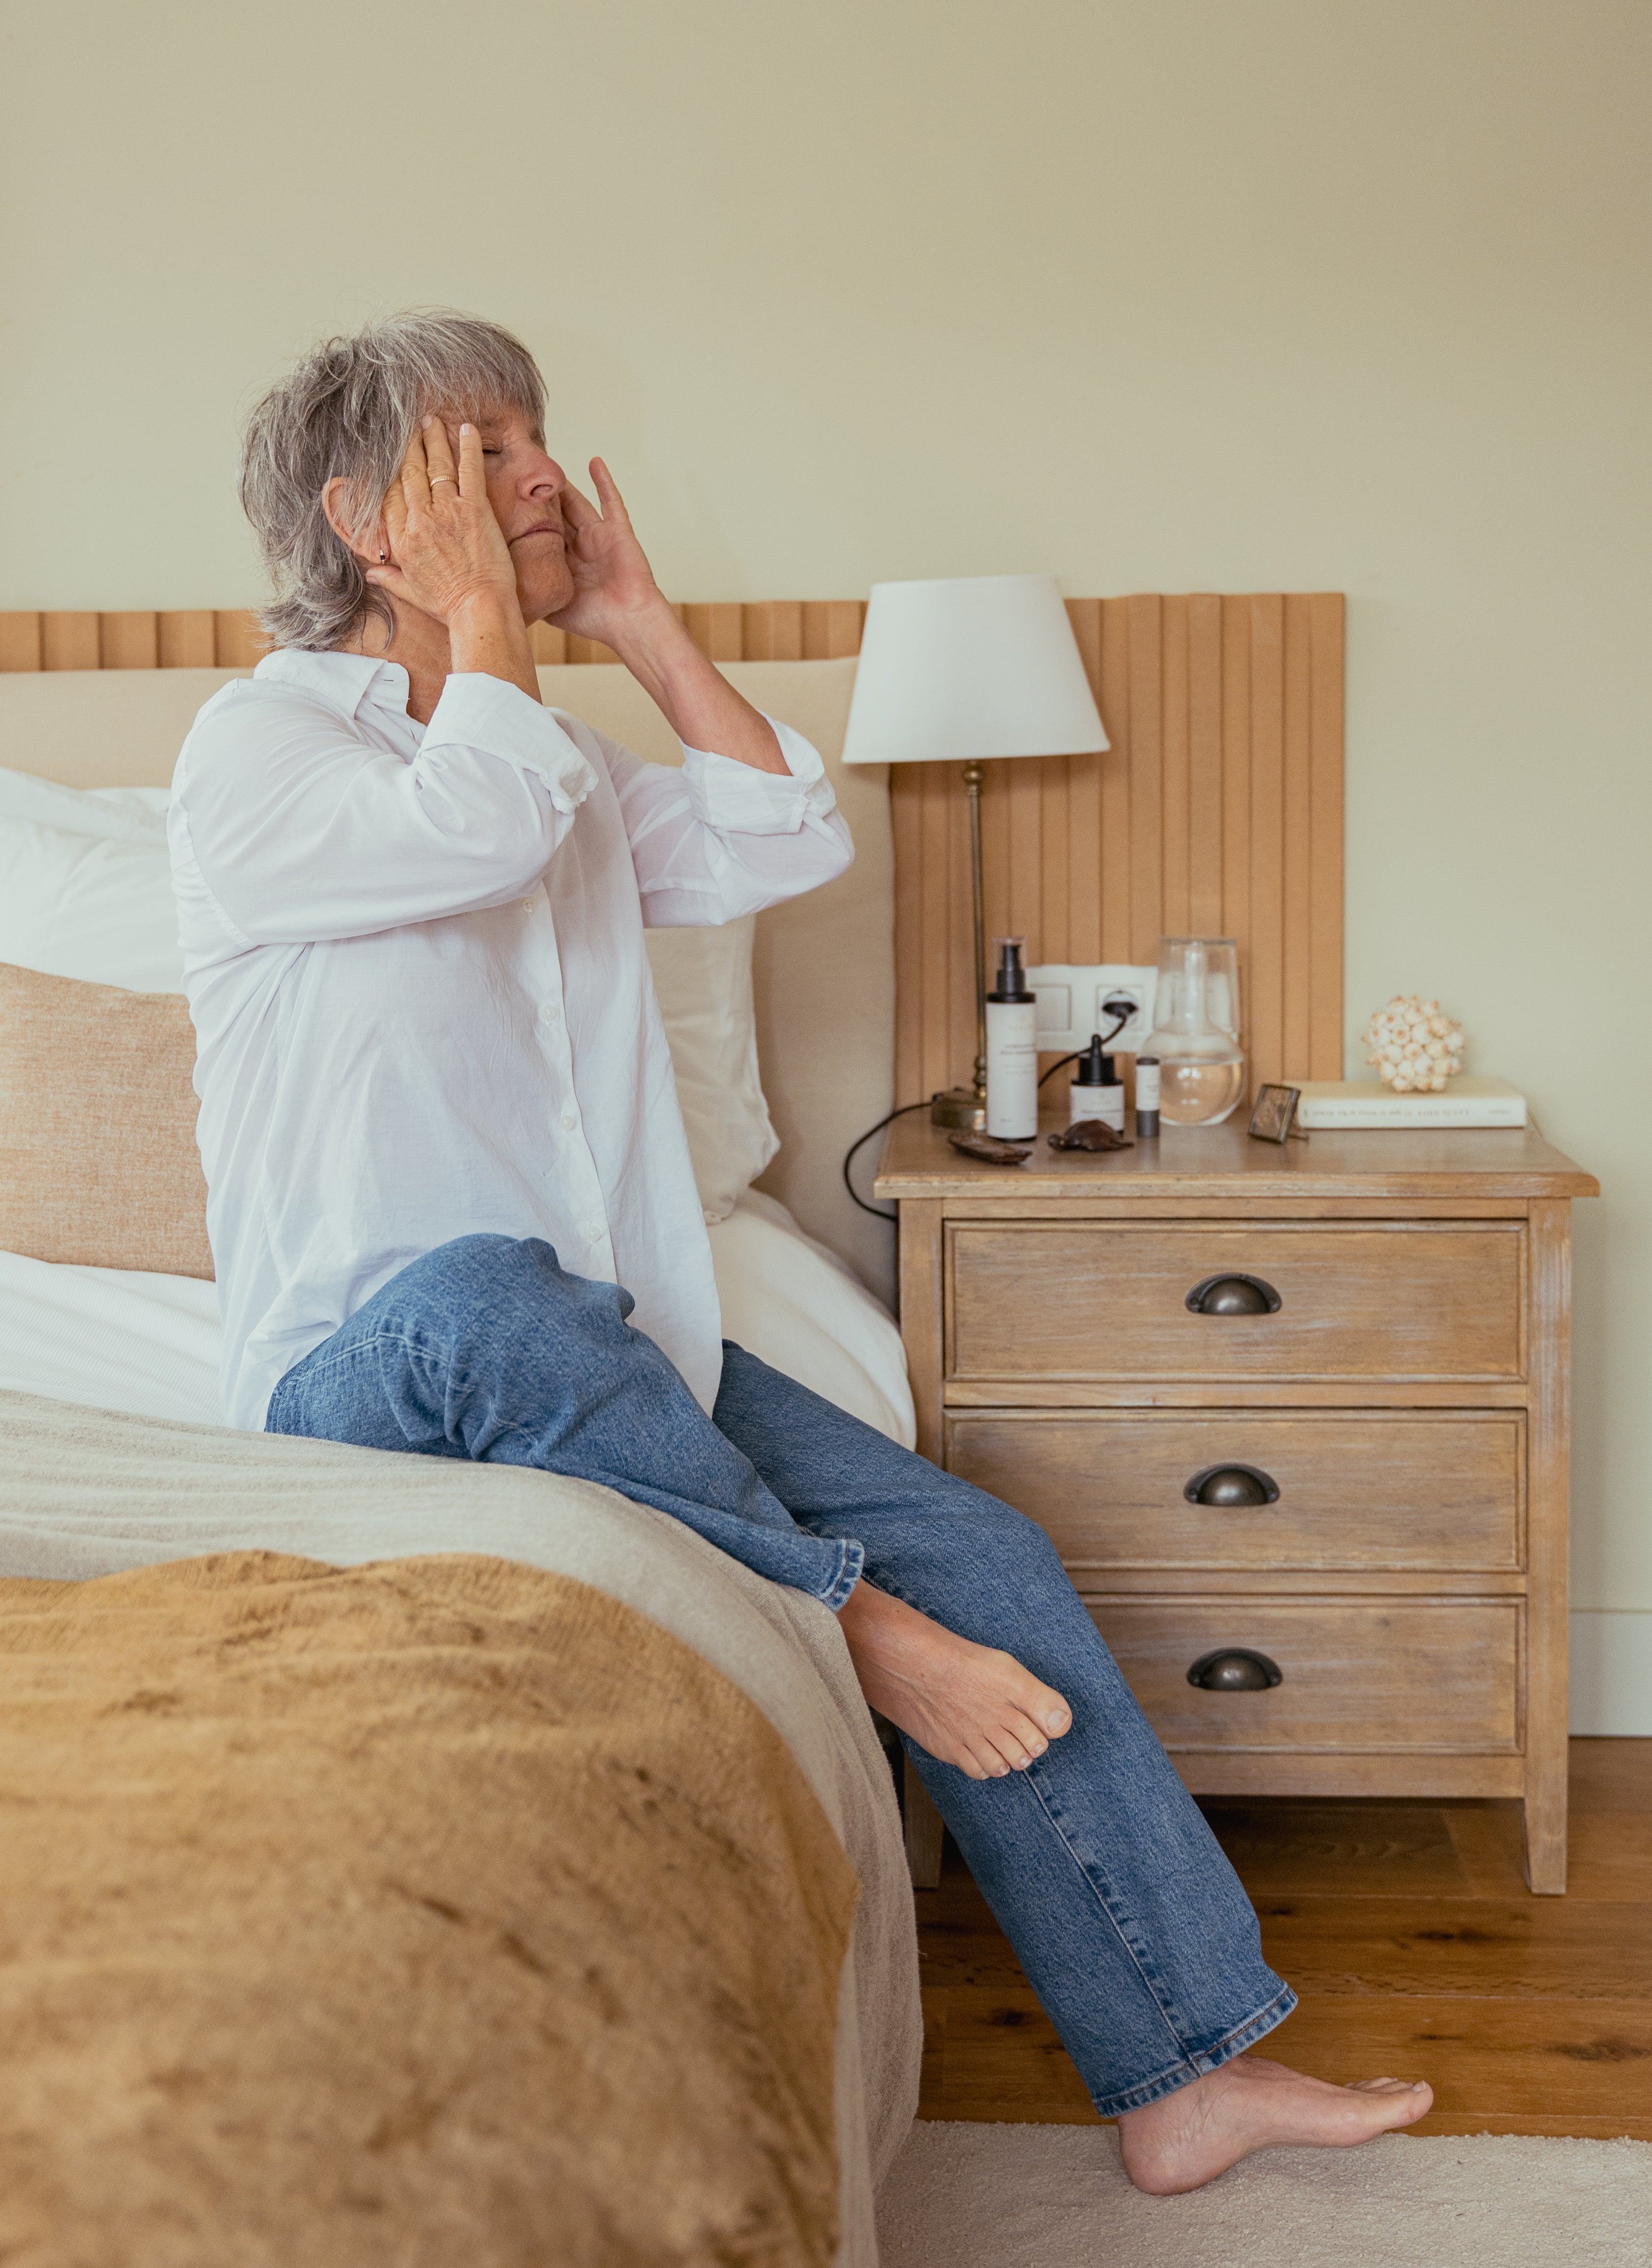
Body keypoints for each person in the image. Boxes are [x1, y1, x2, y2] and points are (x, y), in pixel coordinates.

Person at [170, 309, 1432, 2192]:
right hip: (384, 1369)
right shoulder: (257, 752)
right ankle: (853, 1622)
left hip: (615, 1348)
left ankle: (1181, 2069)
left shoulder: (563, 754)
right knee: (489, 1288)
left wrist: (640, 624)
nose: (540, 475)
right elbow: (477, 812)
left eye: (542, 436)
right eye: (491, 447)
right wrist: (495, 637)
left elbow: (781, 832)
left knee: (988, 1542)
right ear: (367, 515)